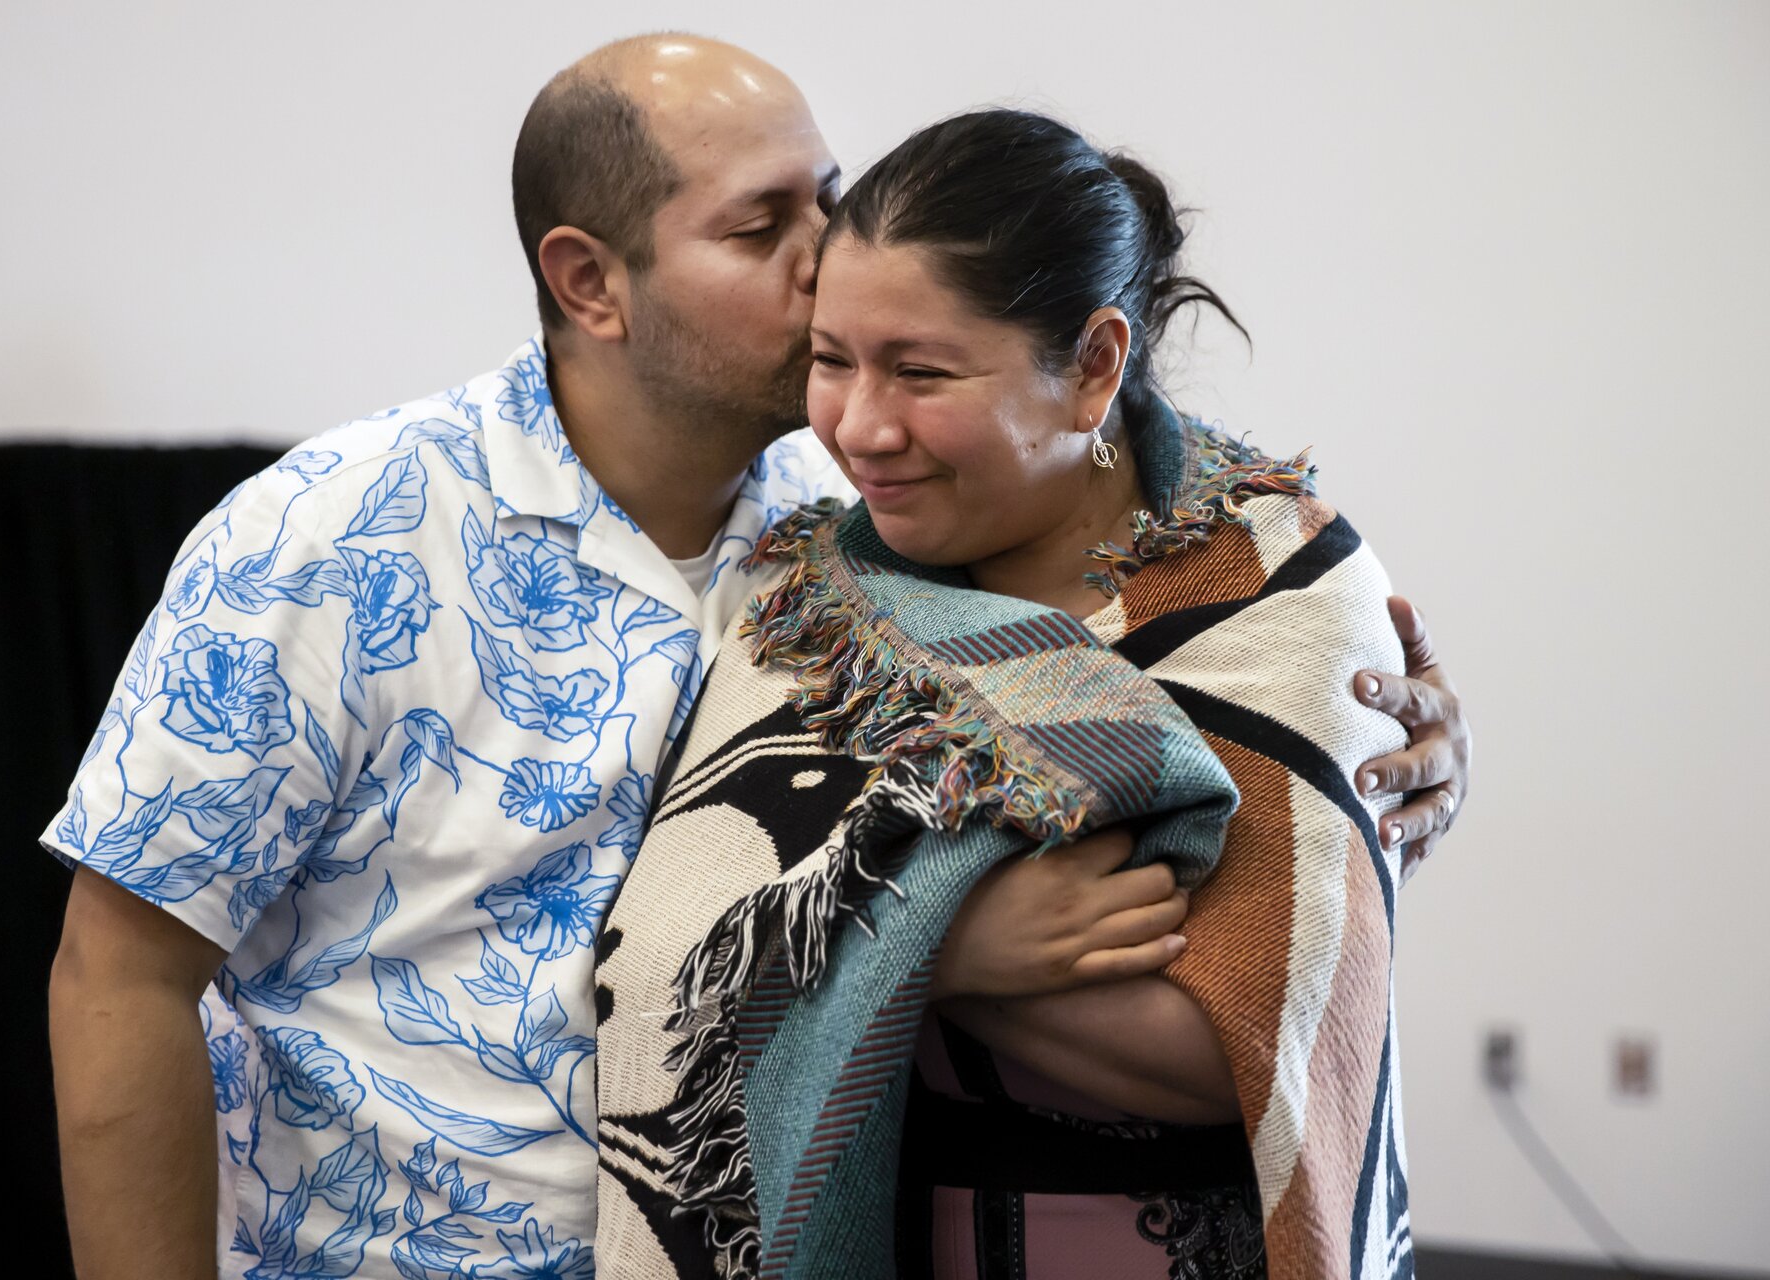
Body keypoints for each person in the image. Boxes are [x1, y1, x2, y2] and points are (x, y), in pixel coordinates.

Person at [43, 38, 1470, 1280]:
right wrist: (923, 946)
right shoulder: (334, 535)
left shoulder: (850, 528)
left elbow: (1151, 677)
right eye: (763, 224)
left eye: (831, 199)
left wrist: (1379, 752)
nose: (824, 256)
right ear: (590, 281)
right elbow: (121, 977)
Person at [594, 109, 1436, 1279]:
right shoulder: (823, 599)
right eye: (831, 360)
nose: (859, 426)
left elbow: (1245, 1044)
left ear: (1095, 364)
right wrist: (940, 938)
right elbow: (671, 944)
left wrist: (887, 943)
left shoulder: (1277, 593)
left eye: (922, 372)